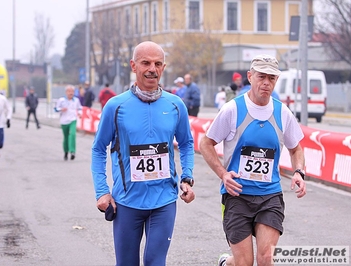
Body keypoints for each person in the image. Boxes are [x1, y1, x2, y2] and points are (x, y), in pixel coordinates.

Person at [91, 41, 195, 266]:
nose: (152, 69)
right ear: (133, 66)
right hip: (127, 202)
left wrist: (187, 177)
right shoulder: (115, 106)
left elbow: (186, 143)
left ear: (163, 67)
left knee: (155, 262)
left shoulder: (176, 105)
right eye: (146, 63)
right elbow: (99, 149)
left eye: (158, 64)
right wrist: (102, 191)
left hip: (164, 200)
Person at [199, 54, 306, 266]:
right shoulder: (232, 109)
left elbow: (296, 149)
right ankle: (227, 262)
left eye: (272, 78)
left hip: (269, 196)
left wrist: (299, 172)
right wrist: (223, 174)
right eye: (261, 77)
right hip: (237, 195)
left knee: (266, 259)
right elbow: (206, 143)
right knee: (244, 263)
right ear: (250, 76)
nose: (266, 83)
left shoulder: (282, 112)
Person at [54, 85, 82, 161]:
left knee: (72, 134)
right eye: (69, 91)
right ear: (66, 92)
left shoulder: (76, 100)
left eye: (72, 91)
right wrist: (61, 109)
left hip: (73, 120)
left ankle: (72, 151)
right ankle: (66, 152)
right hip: (64, 121)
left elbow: (80, 108)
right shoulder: (61, 100)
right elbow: (55, 109)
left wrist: (79, 113)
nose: (71, 93)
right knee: (66, 137)